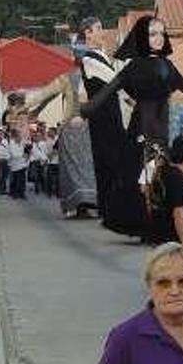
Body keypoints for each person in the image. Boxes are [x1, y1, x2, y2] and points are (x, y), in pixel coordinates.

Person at [82, 16, 183, 238]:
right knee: (143, 178)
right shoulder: (135, 65)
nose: (158, 38)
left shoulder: (168, 65)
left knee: (160, 178)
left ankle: (161, 226)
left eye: (160, 33)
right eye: (152, 34)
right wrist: (86, 110)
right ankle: (145, 226)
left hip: (162, 126)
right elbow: (110, 88)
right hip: (142, 127)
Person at [77, 16, 126, 217]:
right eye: (98, 28)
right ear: (88, 33)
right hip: (103, 119)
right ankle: (111, 210)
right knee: (110, 162)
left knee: (113, 162)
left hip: (111, 115)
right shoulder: (89, 59)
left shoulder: (101, 56)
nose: (102, 32)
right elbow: (115, 79)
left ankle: (112, 209)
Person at [150, 136, 183, 246]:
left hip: (158, 234)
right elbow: (178, 215)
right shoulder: (178, 178)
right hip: (173, 239)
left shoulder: (161, 171)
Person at [8, 129, 28, 200]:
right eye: (19, 136)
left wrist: (23, 156)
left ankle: (22, 193)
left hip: (22, 164)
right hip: (15, 165)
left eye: (20, 136)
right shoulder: (11, 143)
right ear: (15, 136)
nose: (20, 137)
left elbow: (24, 152)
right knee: (15, 180)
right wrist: (22, 155)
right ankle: (14, 193)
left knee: (22, 180)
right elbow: (13, 154)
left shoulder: (21, 143)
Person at [45, 127, 60, 197]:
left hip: (58, 162)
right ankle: (49, 192)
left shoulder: (59, 139)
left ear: (54, 132)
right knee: (49, 178)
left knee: (58, 179)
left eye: (50, 131)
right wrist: (48, 155)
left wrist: (53, 153)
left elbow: (59, 150)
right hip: (50, 162)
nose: (48, 132)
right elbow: (46, 150)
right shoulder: (48, 140)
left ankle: (57, 192)